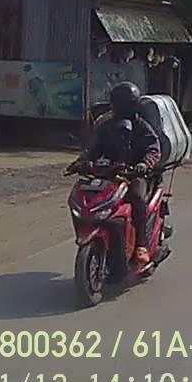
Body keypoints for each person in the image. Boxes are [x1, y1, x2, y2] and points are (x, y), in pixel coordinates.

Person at [68, 82, 162, 265]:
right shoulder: (106, 126)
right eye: (117, 104)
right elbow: (93, 149)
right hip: (109, 173)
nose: (119, 108)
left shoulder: (142, 127)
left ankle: (141, 244)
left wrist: (144, 164)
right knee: (85, 194)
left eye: (123, 104)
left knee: (137, 197)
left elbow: (153, 149)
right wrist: (80, 162)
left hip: (134, 174)